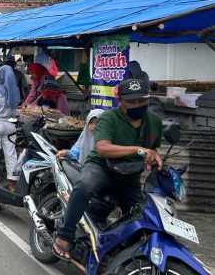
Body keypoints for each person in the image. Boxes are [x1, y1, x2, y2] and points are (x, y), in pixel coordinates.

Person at [52, 79, 163, 261]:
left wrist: (154, 159)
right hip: (101, 167)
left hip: (130, 177)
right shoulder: (108, 118)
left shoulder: (154, 121)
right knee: (84, 186)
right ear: (120, 101)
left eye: (142, 101)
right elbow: (103, 148)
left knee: (144, 215)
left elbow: (153, 148)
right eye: (131, 101)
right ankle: (64, 235)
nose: (137, 105)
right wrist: (138, 150)